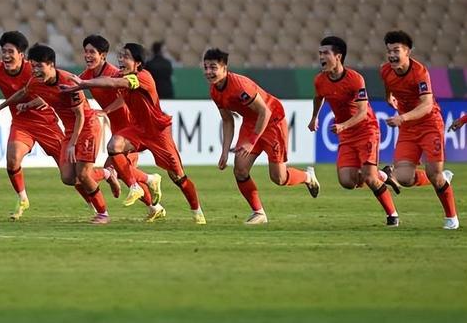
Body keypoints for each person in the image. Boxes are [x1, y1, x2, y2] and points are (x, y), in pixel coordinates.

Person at [0, 31, 115, 221]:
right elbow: (21, 91)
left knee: (79, 176)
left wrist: (70, 140)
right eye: (3, 51)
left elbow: (71, 107)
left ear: (22, 55)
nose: (6, 55)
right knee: (45, 170)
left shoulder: (55, 77)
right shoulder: (13, 73)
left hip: (61, 125)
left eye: (10, 51)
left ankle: (102, 199)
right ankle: (23, 198)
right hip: (27, 124)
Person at [62, 43, 206, 224]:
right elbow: (114, 86)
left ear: (137, 63)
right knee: (113, 146)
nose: (121, 60)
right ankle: (138, 187)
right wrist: (101, 106)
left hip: (158, 132)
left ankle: (197, 212)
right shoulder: (120, 75)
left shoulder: (141, 77)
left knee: (178, 177)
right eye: (120, 56)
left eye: (126, 57)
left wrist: (84, 84)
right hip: (137, 129)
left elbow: (113, 83)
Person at [0, 44, 116, 224]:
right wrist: (0, 108)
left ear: (51, 65)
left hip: (87, 127)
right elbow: (24, 93)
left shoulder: (69, 82)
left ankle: (103, 214)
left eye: (39, 66)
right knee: (68, 178)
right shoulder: (35, 81)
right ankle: (107, 173)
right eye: (33, 66)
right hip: (70, 130)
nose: (35, 70)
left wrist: (72, 144)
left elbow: (80, 115)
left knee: (84, 175)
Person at [202, 48, 320, 225]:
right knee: (240, 169)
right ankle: (259, 213)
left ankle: (307, 177)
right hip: (251, 123)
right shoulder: (214, 91)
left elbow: (265, 111)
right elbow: (227, 120)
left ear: (224, 68)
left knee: (279, 178)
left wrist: (251, 142)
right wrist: (224, 152)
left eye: (213, 67)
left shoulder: (240, 86)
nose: (208, 72)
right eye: (206, 67)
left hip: (273, 122)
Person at [308, 36, 399, 227]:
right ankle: (384, 175)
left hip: (366, 130)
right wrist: (315, 117)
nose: (321, 57)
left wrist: (342, 126)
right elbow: (318, 97)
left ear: (338, 56)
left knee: (369, 178)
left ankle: (392, 216)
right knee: (347, 181)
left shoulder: (355, 79)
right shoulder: (320, 80)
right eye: (320, 53)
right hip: (346, 134)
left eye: (325, 53)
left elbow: (362, 112)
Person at [80, 35, 166, 221]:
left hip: (130, 127)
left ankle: (151, 181)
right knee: (122, 172)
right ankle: (154, 205)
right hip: (117, 129)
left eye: (92, 52)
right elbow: (72, 87)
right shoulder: (87, 75)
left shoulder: (115, 73)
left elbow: (124, 97)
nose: (87, 55)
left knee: (117, 171)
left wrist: (106, 110)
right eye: (86, 51)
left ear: (103, 55)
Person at [380, 30, 458, 229]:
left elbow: (427, 105)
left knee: (435, 175)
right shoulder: (386, 70)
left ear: (407, 51)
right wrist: (389, 97)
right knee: (404, 178)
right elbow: (388, 84)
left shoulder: (419, 72)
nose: (391, 55)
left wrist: (402, 117)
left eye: (396, 51)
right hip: (408, 129)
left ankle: (451, 217)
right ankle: (441, 178)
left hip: (430, 125)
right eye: (389, 51)